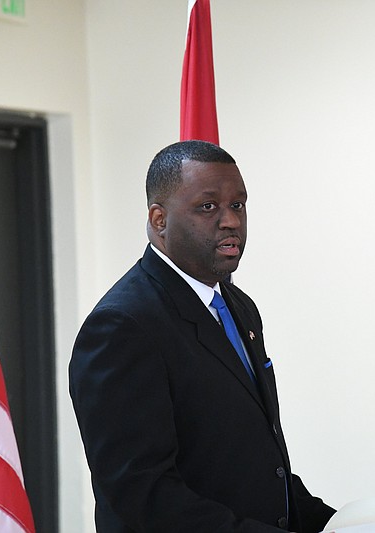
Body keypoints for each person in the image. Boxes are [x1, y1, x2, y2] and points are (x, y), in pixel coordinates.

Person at [69, 140, 336, 532]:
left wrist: (341, 524)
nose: (230, 220)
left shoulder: (237, 305)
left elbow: (255, 468)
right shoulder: (122, 326)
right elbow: (142, 495)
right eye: (208, 207)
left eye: (238, 205)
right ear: (159, 220)